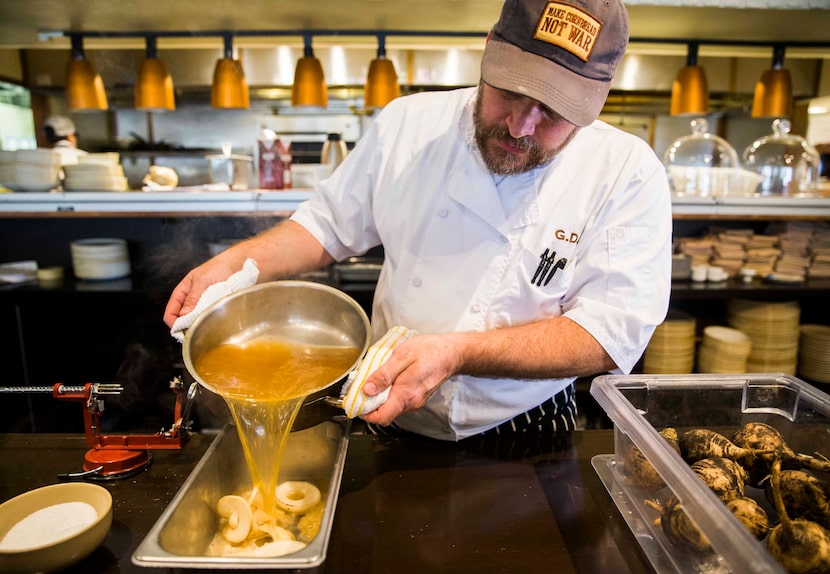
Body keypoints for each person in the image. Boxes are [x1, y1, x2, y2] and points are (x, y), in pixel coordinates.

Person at [164, 0, 673, 441]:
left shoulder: (626, 172)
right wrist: (237, 263)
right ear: (490, 47)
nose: (521, 126)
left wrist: (455, 353)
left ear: (597, 97)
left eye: (552, 111)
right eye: (510, 93)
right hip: (384, 412)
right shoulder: (408, 125)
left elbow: (610, 334)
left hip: (527, 427)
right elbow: (327, 225)